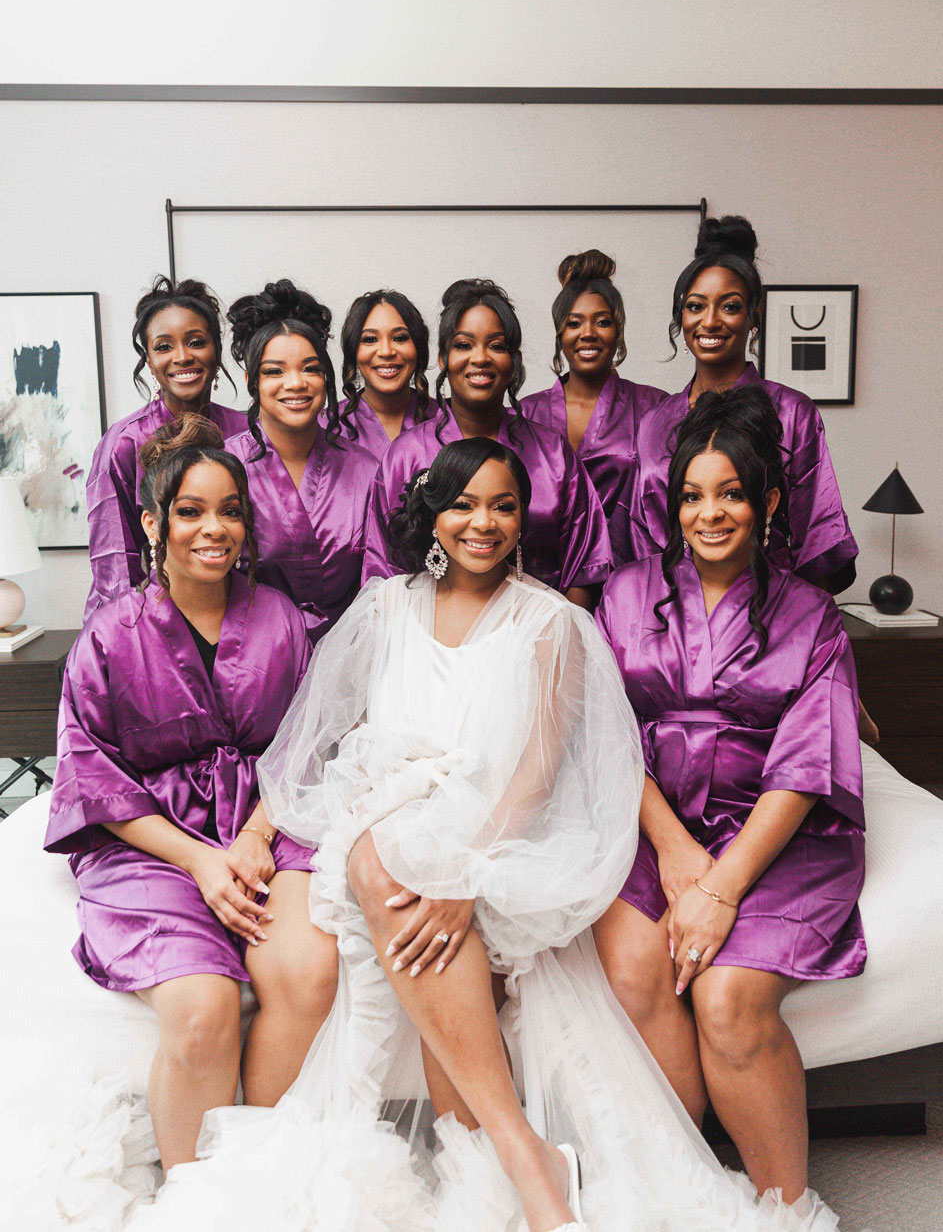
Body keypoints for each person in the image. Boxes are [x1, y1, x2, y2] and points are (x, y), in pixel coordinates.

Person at [137, 438, 839, 1232]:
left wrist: (467, 870)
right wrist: (262, 832)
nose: (483, 522)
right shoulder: (384, 606)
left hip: (505, 832)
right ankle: (514, 1152)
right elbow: (327, 737)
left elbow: (537, 772)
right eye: (462, 504)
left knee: (395, 868)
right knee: (382, 858)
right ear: (430, 513)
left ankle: (505, 1155)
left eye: (503, 506)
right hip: (392, 810)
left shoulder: (553, 621)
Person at [595, 386, 866, 1206]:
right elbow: (604, 733)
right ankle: (683, 1190)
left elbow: (806, 764)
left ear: (769, 501)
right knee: (638, 967)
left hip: (776, 833)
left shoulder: (811, 615)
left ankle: (786, 1210)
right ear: (670, 502)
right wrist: (675, 852)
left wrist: (719, 886)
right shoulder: (622, 594)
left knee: (726, 996)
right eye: (690, 494)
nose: (708, 513)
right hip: (652, 818)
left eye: (731, 494)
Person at [45, 416, 337, 1172]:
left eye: (231, 510)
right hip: (152, 842)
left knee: (309, 975)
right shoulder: (108, 638)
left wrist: (253, 837)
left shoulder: (281, 618)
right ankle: (196, 1200)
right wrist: (203, 863)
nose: (215, 528)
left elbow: (307, 744)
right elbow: (92, 776)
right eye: (190, 510)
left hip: (269, 825)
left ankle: (255, 1175)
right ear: (152, 521)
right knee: (204, 1012)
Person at [629, 216, 858, 594]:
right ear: (680, 316)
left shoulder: (791, 413)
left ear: (755, 315)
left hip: (769, 608)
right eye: (696, 306)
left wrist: (796, 625)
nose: (710, 321)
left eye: (730, 307)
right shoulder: (656, 420)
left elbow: (818, 533)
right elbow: (641, 538)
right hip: (670, 610)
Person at [363, 278, 612, 608]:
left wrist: (553, 644)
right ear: (442, 357)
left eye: (496, 346)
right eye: (464, 345)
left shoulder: (553, 455)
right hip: (432, 643)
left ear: (514, 359)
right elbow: (384, 569)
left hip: (535, 639)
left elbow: (584, 568)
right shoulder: (406, 455)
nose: (480, 358)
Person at [84, 277, 246, 621]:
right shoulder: (124, 443)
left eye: (196, 342)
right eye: (163, 346)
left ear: (216, 349)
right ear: (147, 358)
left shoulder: (247, 431)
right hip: (152, 621)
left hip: (241, 615)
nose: (182, 357)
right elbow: (115, 563)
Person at [225, 280, 377, 644]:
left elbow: (381, 578)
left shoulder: (366, 469)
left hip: (352, 651)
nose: (296, 383)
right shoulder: (223, 468)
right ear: (251, 381)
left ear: (326, 378)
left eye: (310, 368)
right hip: (253, 652)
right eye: (274, 371)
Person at [521, 250, 666, 564]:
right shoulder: (524, 415)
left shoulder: (655, 409)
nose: (588, 333)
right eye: (574, 323)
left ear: (618, 332)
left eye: (602, 322)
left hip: (630, 577)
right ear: (560, 333)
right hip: (544, 581)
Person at [334, 289, 432, 458]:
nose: (386, 352)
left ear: (418, 347)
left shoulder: (445, 422)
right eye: (370, 339)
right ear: (353, 351)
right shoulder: (328, 426)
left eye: (400, 338)